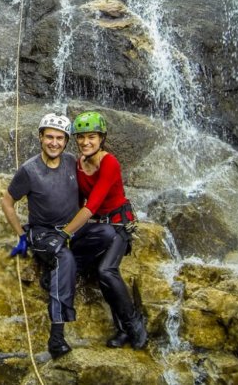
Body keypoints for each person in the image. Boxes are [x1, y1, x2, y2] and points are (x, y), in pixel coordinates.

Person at [61, 111, 147, 350]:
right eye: (81, 137)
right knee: (86, 267)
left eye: (92, 137)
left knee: (106, 271)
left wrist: (65, 233)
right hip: (98, 227)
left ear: (101, 139)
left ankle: (131, 325)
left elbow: (92, 205)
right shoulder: (79, 164)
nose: (85, 142)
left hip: (118, 224)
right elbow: (78, 203)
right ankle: (124, 328)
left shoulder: (109, 163)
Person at [1, 113, 79, 359]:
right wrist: (22, 235)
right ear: (40, 138)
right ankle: (56, 337)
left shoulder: (72, 162)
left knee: (106, 239)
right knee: (64, 259)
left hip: (72, 230)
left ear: (66, 141)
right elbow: (7, 201)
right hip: (44, 233)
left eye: (59, 138)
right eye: (49, 137)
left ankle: (51, 277)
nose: (54, 143)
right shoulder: (29, 169)